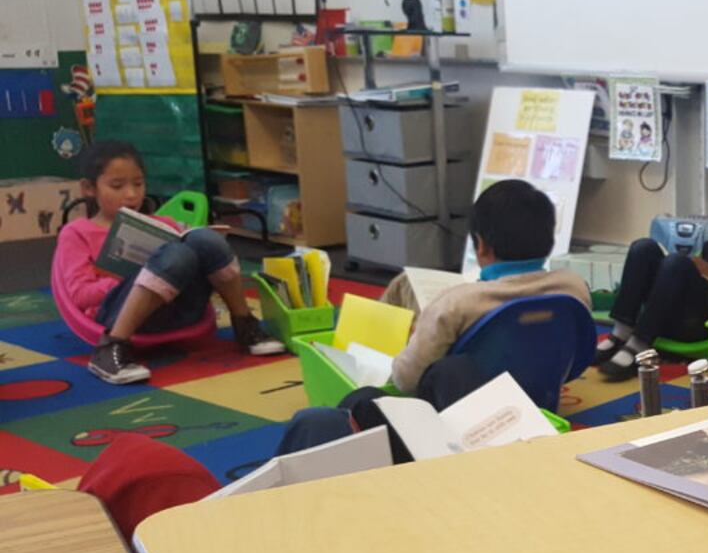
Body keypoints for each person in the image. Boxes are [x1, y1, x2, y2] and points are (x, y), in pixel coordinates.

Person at [279, 180, 589, 457]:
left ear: (481, 245)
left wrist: (415, 337)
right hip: (539, 403)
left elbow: (405, 380)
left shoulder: (456, 303)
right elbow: (577, 361)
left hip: (458, 426)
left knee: (360, 399)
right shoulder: (573, 287)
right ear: (549, 239)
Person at [53, 141, 283, 385]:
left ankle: (245, 323)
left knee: (204, 239)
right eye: (117, 186)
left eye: (138, 184)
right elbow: (79, 296)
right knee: (175, 255)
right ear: (89, 188)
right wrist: (128, 278)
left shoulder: (164, 223)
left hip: (176, 308)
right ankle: (110, 349)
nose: (131, 194)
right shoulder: (77, 233)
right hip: (119, 317)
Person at [595, 184, 708, 381]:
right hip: (669, 316)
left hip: (705, 329)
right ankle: (620, 332)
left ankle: (639, 344)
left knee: (676, 262)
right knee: (643, 247)